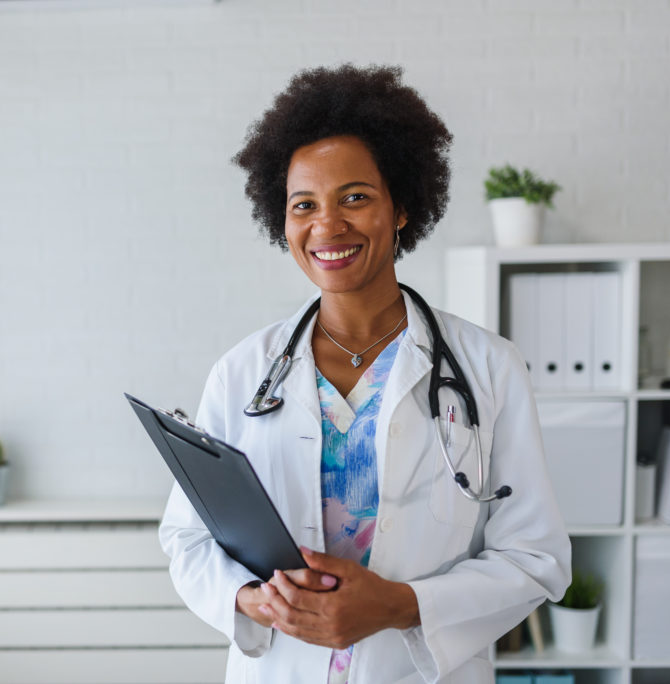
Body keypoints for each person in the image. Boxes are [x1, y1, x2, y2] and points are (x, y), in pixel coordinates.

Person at [158, 64, 571, 684]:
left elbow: (535, 559)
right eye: (304, 205)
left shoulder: (489, 368)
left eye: (355, 197)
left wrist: (400, 606)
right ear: (284, 221)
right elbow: (188, 539)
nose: (327, 226)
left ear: (401, 206)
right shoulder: (243, 371)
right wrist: (248, 599)